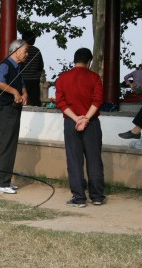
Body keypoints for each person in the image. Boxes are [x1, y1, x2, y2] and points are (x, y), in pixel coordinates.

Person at [55, 48, 105, 207]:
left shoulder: (63, 78)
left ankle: (79, 197)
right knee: (94, 159)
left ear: (74, 60)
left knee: (74, 160)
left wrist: (77, 118)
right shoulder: (95, 77)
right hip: (92, 123)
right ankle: (97, 196)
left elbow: (60, 102)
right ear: (89, 61)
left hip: (71, 122)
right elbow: (97, 101)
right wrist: (86, 118)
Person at [0, 39, 29, 194]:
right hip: (5, 110)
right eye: (25, 51)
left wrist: (24, 93)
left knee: (11, 145)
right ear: (15, 50)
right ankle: (0, 183)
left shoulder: (17, 67)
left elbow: (21, 83)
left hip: (14, 109)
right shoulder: (6, 64)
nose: (27, 54)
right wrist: (14, 92)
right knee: (7, 145)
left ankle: (5, 181)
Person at [20, 31, 44, 106]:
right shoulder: (37, 51)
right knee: (35, 100)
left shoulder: (20, 50)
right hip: (34, 79)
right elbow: (41, 66)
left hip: (22, 79)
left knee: (21, 99)